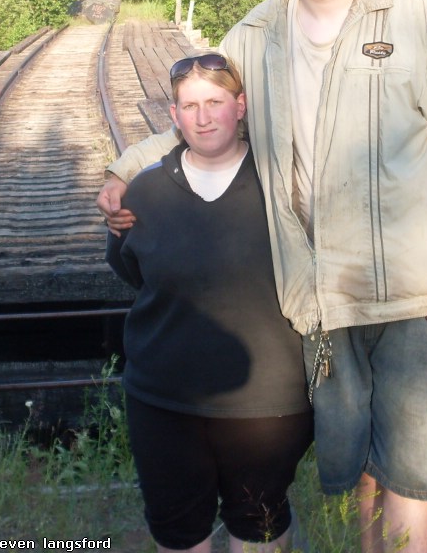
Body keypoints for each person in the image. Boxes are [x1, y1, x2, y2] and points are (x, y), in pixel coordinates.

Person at [99, 0, 427, 553]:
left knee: (410, 470)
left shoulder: (415, 11)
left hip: (421, 289)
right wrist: (126, 166)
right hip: (321, 295)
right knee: (365, 465)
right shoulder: (259, 30)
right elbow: (206, 108)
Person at [106, 53, 313, 553]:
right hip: (163, 398)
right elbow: (130, 270)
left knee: (258, 521)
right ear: (174, 117)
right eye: (190, 105)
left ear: (240, 107)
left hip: (267, 402)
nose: (203, 116)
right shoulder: (145, 190)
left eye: (215, 102)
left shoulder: (284, 185)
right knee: (178, 526)